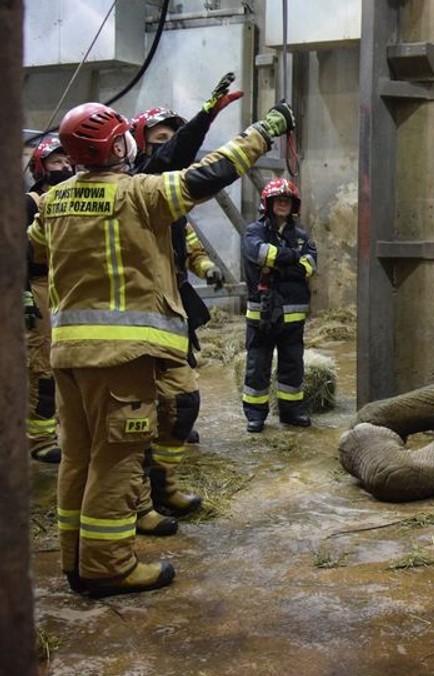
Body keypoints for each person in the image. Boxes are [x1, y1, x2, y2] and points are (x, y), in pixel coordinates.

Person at [27, 99, 295, 597]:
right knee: (119, 461)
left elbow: (37, 251)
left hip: (68, 356)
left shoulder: (52, 202)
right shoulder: (138, 194)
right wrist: (265, 130)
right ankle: (109, 566)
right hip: (122, 358)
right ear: (115, 144)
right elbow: (210, 173)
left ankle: (76, 561)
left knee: (79, 459)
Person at [128, 75, 241, 519]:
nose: (168, 148)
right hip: (138, 315)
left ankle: (163, 485)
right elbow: (175, 164)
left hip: (173, 307)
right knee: (136, 416)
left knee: (182, 401)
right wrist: (207, 115)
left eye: (173, 140)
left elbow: (187, 242)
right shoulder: (139, 189)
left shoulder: (169, 201)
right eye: (159, 141)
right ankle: (137, 499)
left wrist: (206, 268)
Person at [241, 178, 318, 433]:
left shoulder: (302, 236)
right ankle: (255, 414)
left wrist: (278, 265)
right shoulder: (254, 231)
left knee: (293, 364)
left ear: (293, 205)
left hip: (293, 317)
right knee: (258, 364)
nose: (283, 203)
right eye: (278, 199)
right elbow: (259, 254)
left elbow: (309, 267)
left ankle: (291, 411)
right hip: (261, 313)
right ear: (268, 203)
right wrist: (291, 259)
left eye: (287, 200)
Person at [24, 134, 74, 464]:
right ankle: (38, 438)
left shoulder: (72, 199)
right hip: (38, 284)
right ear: (42, 168)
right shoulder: (29, 202)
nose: (65, 166)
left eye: (68, 161)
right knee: (41, 362)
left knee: (66, 360)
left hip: (68, 284)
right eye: (57, 162)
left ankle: (61, 427)